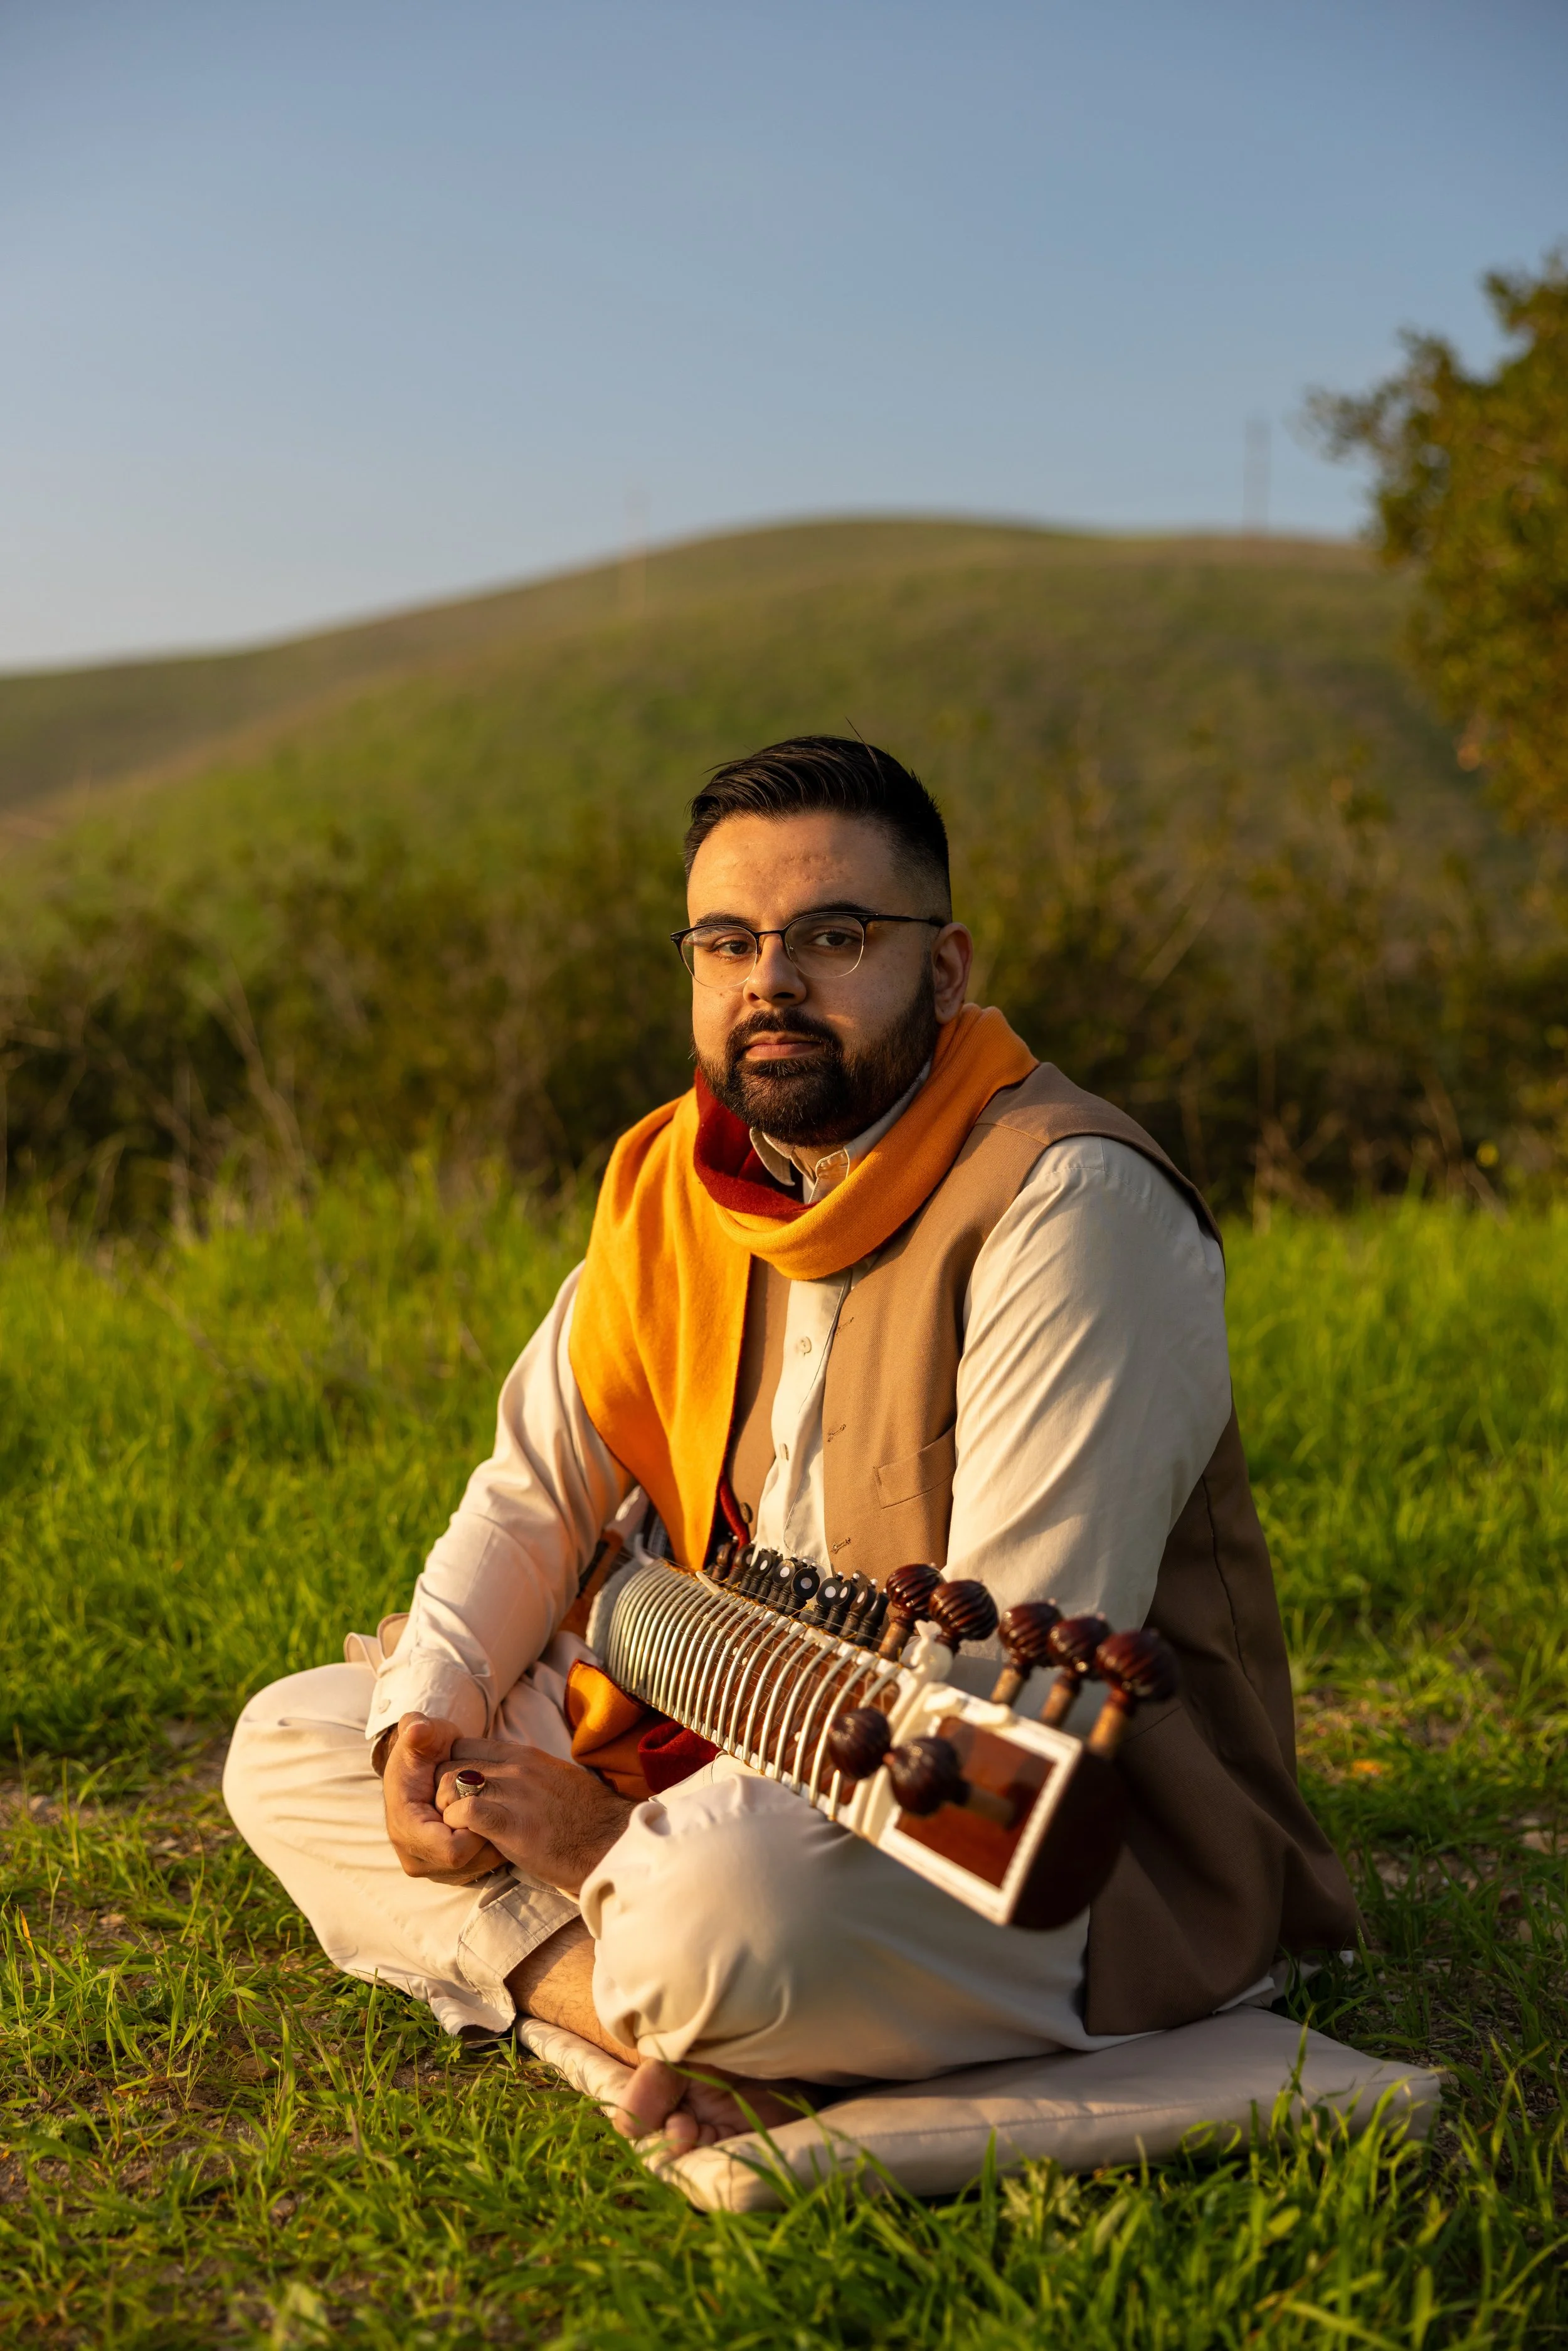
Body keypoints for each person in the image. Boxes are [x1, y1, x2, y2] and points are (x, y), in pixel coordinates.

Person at [225, 736, 1354, 2154]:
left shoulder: (1070, 1208)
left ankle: (656, 1964)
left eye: (833, 936)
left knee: (732, 1907)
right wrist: (426, 1725)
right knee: (298, 1735)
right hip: (715, 1746)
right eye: (727, 942)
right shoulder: (677, 1189)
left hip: (1041, 1848)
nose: (769, 982)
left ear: (943, 970)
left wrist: (600, 1842)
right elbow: (530, 1497)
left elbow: (996, 1759)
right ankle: (629, 2009)